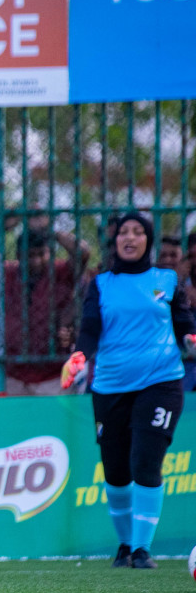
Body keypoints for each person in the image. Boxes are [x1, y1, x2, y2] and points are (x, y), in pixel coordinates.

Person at [68, 213, 194, 569]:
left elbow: (184, 323)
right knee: (116, 470)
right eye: (124, 231)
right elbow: (90, 327)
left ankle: (142, 549)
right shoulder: (102, 283)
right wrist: (79, 355)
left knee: (145, 461)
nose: (130, 237)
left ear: (148, 241)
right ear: (115, 241)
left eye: (138, 232)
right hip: (109, 386)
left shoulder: (166, 280)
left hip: (161, 382)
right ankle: (124, 546)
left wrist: (190, 338)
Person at [0, 219, 92, 395]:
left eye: (41, 254)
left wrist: (51, 229)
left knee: (53, 422)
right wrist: (1, 228)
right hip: (13, 373)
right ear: (19, 255)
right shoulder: (6, 274)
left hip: (53, 373)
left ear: (50, 253)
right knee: (15, 422)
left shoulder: (60, 273)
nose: (36, 261)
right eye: (29, 255)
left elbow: (82, 253)